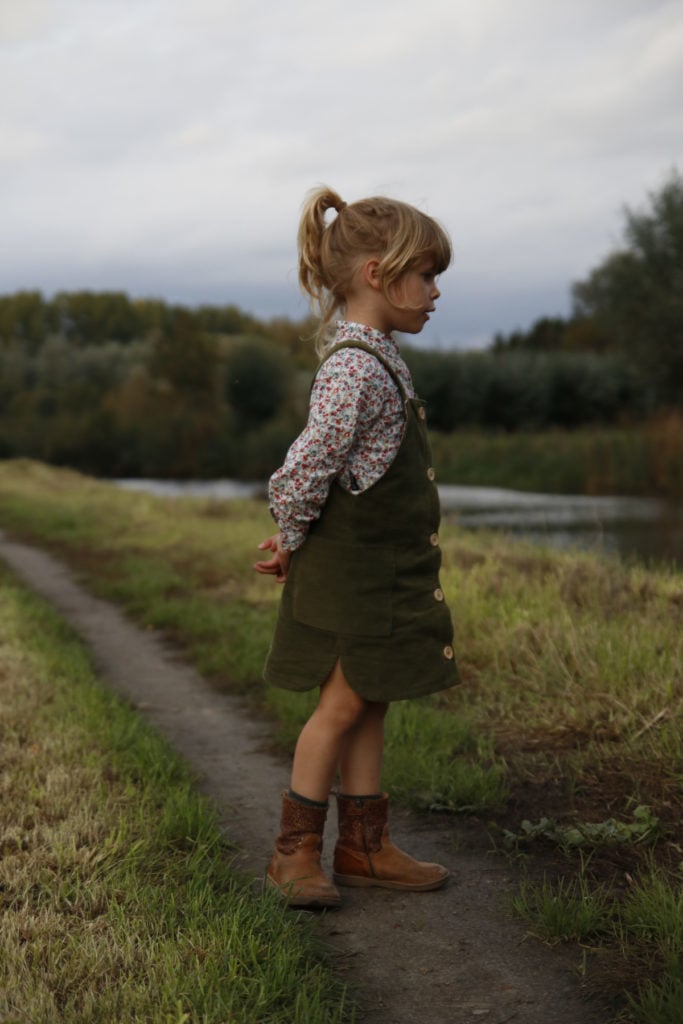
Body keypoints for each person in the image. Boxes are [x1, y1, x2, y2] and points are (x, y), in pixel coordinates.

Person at [254, 185, 459, 909]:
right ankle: (293, 855)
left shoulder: (381, 357)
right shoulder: (354, 367)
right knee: (339, 709)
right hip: (352, 581)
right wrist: (289, 534)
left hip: (380, 579)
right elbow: (305, 467)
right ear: (378, 274)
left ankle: (364, 849)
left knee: (370, 702)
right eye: (425, 275)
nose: (435, 292)